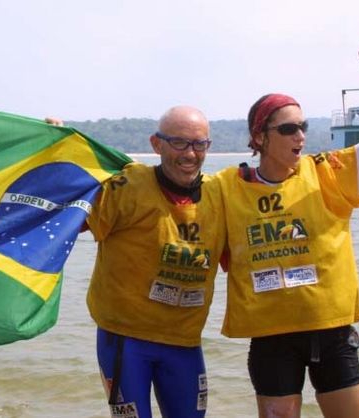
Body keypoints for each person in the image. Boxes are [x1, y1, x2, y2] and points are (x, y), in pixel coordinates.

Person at [216, 42, 359, 418]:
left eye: (303, 127)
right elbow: (167, 196)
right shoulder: (226, 187)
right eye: (289, 128)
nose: (300, 136)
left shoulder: (328, 172)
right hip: (271, 337)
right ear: (260, 136)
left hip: (332, 332)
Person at [85, 106, 226, 418]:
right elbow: (67, 218)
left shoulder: (219, 195)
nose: (190, 154)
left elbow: (245, 257)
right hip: (125, 339)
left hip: (184, 341)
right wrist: (56, 151)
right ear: (156, 144)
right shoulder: (128, 186)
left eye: (199, 144)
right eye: (179, 143)